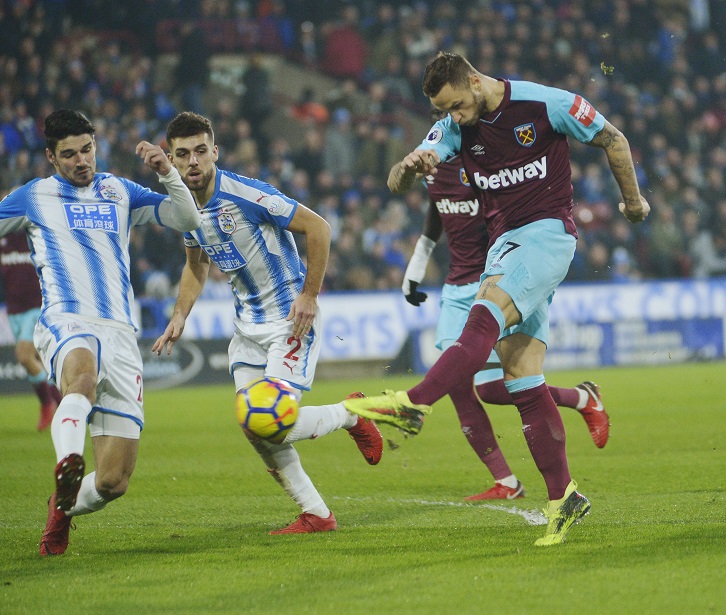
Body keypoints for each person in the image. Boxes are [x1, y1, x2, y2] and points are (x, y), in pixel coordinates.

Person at [344, 52, 649, 546]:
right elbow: (398, 179)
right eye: (446, 110)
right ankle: (564, 497)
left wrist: (633, 201)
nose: (455, 116)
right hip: (508, 243)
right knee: (521, 379)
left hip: (545, 235)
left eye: (459, 104)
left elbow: (614, 138)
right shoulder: (453, 126)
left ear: (474, 80)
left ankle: (414, 403)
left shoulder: (545, 103)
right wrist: (408, 164)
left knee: (482, 314)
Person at [153, 112, 382, 534]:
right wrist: (180, 313)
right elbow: (196, 265)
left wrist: (309, 295)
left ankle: (351, 414)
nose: (193, 162)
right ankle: (317, 514)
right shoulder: (186, 211)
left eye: (201, 151)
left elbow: (319, 227)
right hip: (247, 330)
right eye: (182, 155)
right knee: (253, 427)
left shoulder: (246, 195)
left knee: (271, 422)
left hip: (288, 323)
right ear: (172, 158)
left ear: (214, 152)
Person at [0, 109, 202, 556]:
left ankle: (62, 507)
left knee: (113, 482)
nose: (81, 161)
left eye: (87, 149)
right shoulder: (34, 196)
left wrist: (168, 172)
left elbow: (188, 220)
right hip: (66, 318)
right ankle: (68, 461)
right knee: (83, 377)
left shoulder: (119, 190)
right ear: (52, 158)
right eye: (69, 154)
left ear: (96, 145)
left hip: (120, 331)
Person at [403, 151, 610, 501]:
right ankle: (507, 482)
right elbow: (437, 208)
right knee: (458, 386)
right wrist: (417, 265)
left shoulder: (485, 163)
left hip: (496, 280)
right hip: (455, 289)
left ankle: (581, 398)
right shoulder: (433, 166)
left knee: (497, 389)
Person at [0, 230, 62, 430]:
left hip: (37, 306)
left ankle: (48, 404)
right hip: (13, 309)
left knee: (23, 355)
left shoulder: (33, 233)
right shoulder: (3, 236)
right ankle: (61, 403)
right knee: (37, 362)